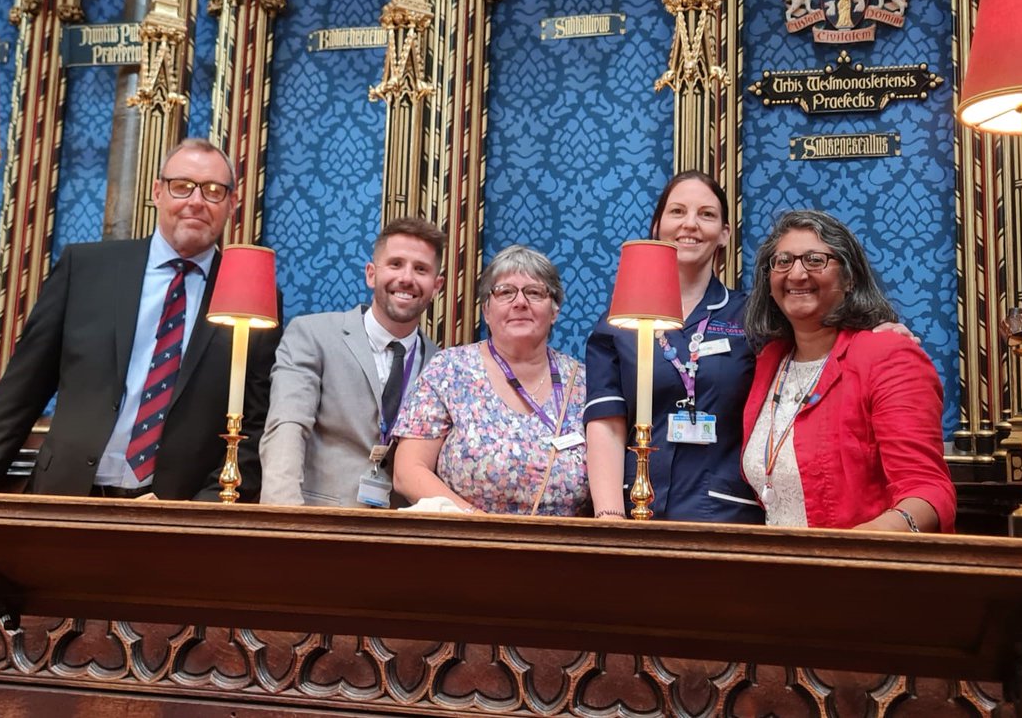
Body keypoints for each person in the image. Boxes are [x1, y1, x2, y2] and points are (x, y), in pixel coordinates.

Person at [0, 138, 280, 501]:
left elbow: (255, 425)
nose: (196, 201)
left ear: (232, 203)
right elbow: (20, 394)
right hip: (66, 496)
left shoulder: (251, 298)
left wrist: (205, 511)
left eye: (214, 191)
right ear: (157, 191)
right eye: (182, 186)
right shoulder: (87, 270)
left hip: (176, 516)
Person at [740, 210, 955, 531]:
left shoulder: (889, 356)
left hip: (861, 570)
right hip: (779, 569)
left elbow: (928, 489)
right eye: (782, 261)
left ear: (850, 277)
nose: (796, 274)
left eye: (815, 260)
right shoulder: (768, 361)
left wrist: (861, 543)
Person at [584, 171, 763, 522]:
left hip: (722, 514)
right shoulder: (618, 324)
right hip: (635, 511)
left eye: (707, 214)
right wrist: (610, 517)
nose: (691, 224)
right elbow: (606, 423)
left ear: (725, 233)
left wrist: (881, 327)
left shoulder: (753, 317)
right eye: (678, 212)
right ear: (657, 226)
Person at [259, 217, 445, 508]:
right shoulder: (312, 335)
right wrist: (286, 522)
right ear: (371, 274)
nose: (406, 278)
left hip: (401, 540)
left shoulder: (443, 366)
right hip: (319, 526)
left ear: (436, 286)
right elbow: (287, 427)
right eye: (395, 264)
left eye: (420, 269)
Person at [392, 245, 588, 516]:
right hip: (468, 544)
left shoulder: (583, 383)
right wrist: (479, 524)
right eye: (506, 292)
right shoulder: (449, 370)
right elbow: (408, 471)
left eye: (534, 292)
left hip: (564, 550)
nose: (520, 302)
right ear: (486, 310)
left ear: (554, 311)